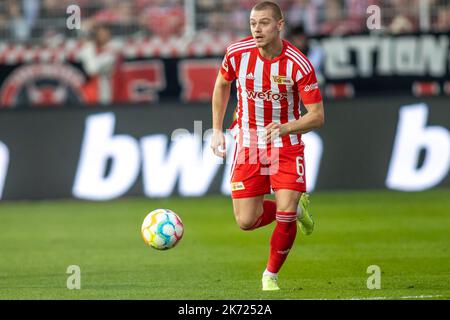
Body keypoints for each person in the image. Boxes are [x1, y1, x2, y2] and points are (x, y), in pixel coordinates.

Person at [210, 1, 325, 291]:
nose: (257, 29)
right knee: (246, 221)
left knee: (284, 213)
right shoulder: (237, 54)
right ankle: (298, 211)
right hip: (248, 143)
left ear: (279, 25)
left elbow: (317, 116)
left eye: (263, 23)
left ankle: (270, 275)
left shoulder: (298, 64)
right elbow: (222, 85)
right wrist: (216, 129)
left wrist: (285, 128)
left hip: (286, 144)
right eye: (252, 23)